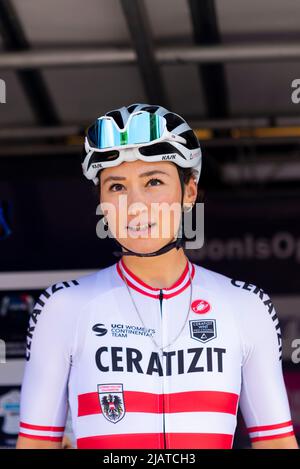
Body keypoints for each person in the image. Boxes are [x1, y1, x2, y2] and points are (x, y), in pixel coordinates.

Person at [16, 103, 298, 449]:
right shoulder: (62, 307)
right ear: (101, 201)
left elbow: (276, 443)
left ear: (189, 192)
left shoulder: (245, 305)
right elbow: (36, 444)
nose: (135, 204)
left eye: (153, 181)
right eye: (117, 187)